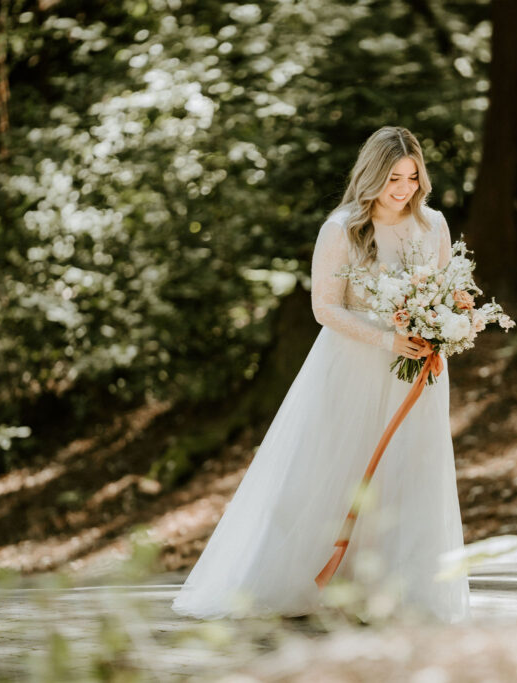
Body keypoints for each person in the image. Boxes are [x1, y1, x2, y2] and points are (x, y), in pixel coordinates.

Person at [170, 126, 471, 624]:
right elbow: (324, 307)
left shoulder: (433, 225)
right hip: (352, 365)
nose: (404, 189)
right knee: (334, 466)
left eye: (413, 177)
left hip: (415, 371)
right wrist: (385, 338)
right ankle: (303, 580)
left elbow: (442, 295)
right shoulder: (343, 228)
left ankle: (396, 590)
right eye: (393, 177)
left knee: (412, 473)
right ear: (372, 174)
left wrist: (442, 330)